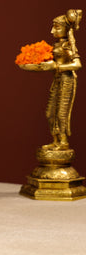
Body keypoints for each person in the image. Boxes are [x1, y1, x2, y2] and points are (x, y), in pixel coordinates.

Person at [39, 9, 82, 150]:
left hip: (67, 81)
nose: (52, 31)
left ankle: (63, 142)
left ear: (66, 28)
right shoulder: (57, 45)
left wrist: (57, 66)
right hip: (57, 81)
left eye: (56, 27)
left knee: (61, 113)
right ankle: (55, 140)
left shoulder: (68, 46)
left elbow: (77, 64)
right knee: (49, 113)